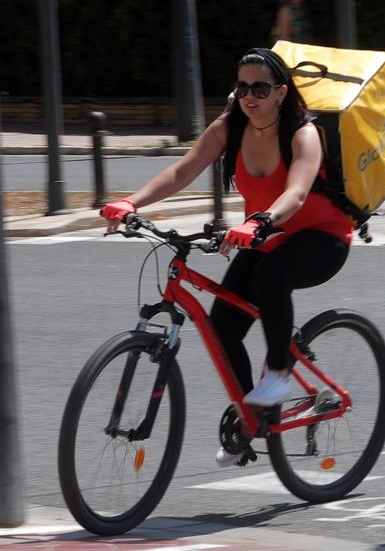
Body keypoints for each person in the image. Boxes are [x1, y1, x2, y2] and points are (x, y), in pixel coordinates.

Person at [100, 48, 353, 465]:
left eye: (260, 87)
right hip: (267, 237)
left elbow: (297, 193)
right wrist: (131, 202)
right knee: (222, 328)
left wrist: (259, 221)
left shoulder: (302, 133)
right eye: (242, 86)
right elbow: (183, 171)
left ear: (280, 93)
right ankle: (251, 419)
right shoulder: (230, 127)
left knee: (271, 277)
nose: (250, 95)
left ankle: (277, 376)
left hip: (322, 238)